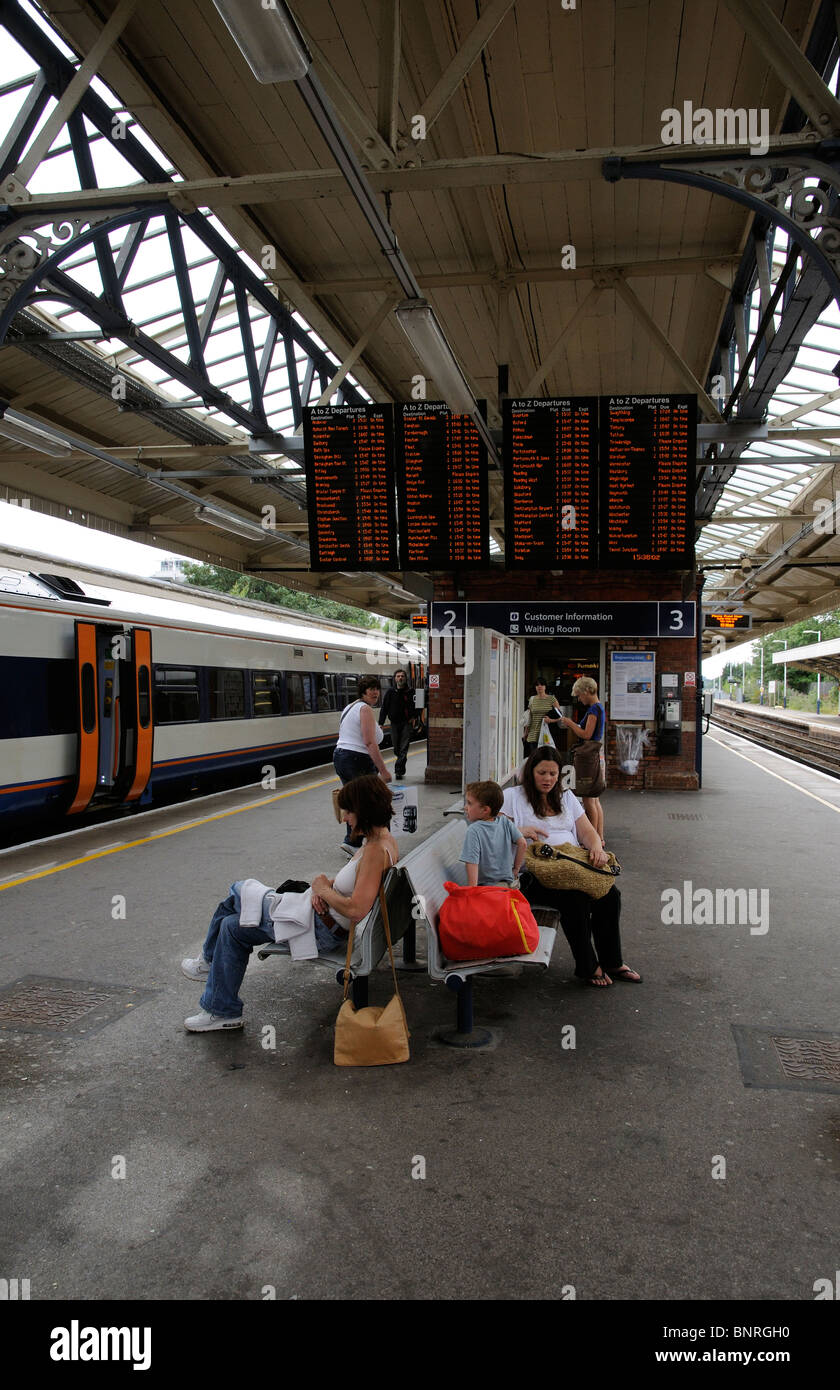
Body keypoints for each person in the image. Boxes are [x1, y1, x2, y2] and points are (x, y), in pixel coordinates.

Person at [181, 776, 398, 1031]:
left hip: (319, 929)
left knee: (239, 890)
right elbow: (353, 886)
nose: (345, 818)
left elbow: (357, 909)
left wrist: (321, 890)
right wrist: (324, 885)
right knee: (231, 927)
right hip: (316, 919)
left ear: (363, 810)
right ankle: (223, 1011)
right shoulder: (378, 841)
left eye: (348, 811)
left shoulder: (374, 851)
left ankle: (207, 963)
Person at [502, 747, 641, 989]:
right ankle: (588, 966)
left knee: (609, 894)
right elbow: (489, 828)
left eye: (553, 774)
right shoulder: (513, 797)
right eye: (542, 772)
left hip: (571, 869)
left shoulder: (565, 798)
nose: (548, 779)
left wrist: (596, 846)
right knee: (575, 900)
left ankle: (612, 961)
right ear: (530, 772)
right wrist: (518, 831)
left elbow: (587, 831)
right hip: (533, 875)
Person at [333, 675, 392, 851]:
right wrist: (384, 771)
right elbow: (369, 742)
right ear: (363, 692)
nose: (375, 692)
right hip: (357, 759)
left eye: (377, 689)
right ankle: (381, 842)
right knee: (375, 800)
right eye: (370, 689)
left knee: (355, 800)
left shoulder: (349, 708)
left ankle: (353, 842)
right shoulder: (364, 709)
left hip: (342, 757)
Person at [559, 676, 606, 845]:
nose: (579, 699)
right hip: (595, 754)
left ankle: (591, 839)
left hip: (588, 756)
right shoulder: (599, 707)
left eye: (579, 695)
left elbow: (586, 734)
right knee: (595, 799)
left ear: (587, 691)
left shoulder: (593, 710)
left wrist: (570, 723)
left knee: (587, 798)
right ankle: (599, 837)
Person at [461, 780, 527, 886]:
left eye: (469, 803)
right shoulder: (505, 821)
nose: (465, 807)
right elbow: (522, 843)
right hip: (508, 885)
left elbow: (472, 863)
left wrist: (472, 890)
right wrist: (516, 869)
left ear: (485, 810)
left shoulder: (474, 830)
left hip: (487, 889)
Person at [378, 667, 416, 780]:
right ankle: (401, 764)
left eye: (402, 676)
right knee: (396, 748)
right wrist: (381, 723)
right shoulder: (390, 692)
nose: (400, 678)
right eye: (398, 676)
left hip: (406, 723)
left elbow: (419, 705)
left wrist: (414, 716)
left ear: (405, 678)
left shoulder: (411, 691)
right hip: (394, 723)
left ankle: (398, 771)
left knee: (403, 747)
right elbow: (384, 708)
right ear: (395, 679)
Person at [523, 678, 562, 756]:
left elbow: (560, 716)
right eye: (537, 685)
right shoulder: (532, 699)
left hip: (546, 734)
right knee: (534, 759)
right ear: (535, 687)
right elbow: (529, 718)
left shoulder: (551, 699)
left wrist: (550, 720)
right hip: (533, 735)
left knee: (546, 757)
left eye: (542, 684)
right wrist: (525, 733)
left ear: (545, 686)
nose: (539, 686)